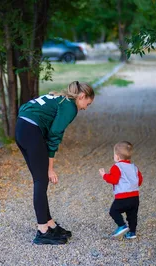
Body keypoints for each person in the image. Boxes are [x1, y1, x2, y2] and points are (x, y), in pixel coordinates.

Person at [15, 81, 95, 245]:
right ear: (81, 96)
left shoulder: (58, 97)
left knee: (40, 179)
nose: (85, 108)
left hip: (21, 128)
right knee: (41, 180)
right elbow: (55, 135)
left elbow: (24, 107)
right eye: (87, 103)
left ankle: (49, 223)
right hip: (31, 131)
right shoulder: (70, 107)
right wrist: (50, 168)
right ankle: (42, 230)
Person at [99, 141, 143, 239]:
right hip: (135, 197)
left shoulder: (117, 167)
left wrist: (104, 175)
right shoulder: (134, 167)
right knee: (132, 215)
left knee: (113, 211)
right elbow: (139, 180)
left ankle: (122, 225)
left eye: (114, 155)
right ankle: (132, 232)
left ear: (117, 157)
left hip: (123, 197)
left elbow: (113, 179)